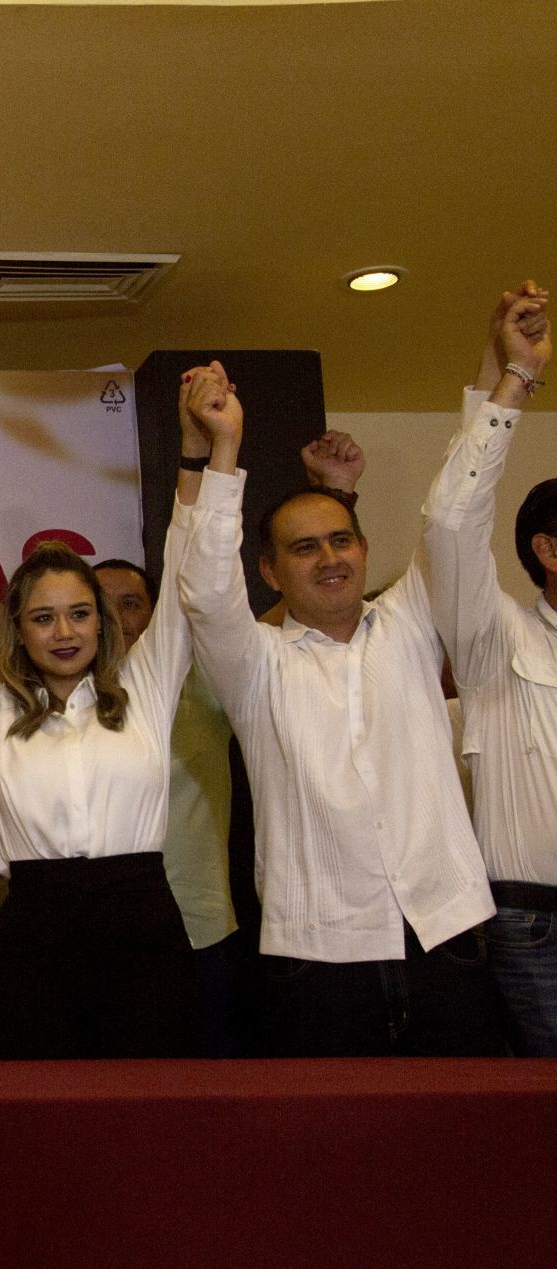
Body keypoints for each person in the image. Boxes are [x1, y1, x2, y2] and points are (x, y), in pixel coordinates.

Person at [177, 358, 503, 1057]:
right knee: (335, 1155)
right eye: (304, 548)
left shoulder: (411, 625)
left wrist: (502, 385)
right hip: (316, 959)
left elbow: (455, 517)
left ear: (362, 548)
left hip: (445, 941)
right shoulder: (253, 665)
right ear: (268, 571)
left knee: (462, 1148)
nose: (330, 557)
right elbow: (204, 590)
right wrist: (224, 451)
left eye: (341, 539)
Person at [0, 407, 210, 1059]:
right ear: (18, 629)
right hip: (33, 936)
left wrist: (194, 456)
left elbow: (187, 560)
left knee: (149, 1120)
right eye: (44, 617)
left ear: (102, 624)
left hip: (144, 930)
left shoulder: (147, 686)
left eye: (80, 614)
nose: (65, 630)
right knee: (43, 1132)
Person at [422, 281, 556, 1055]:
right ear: (546, 550)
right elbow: (451, 517)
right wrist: (514, 377)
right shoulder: (494, 633)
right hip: (535, 921)